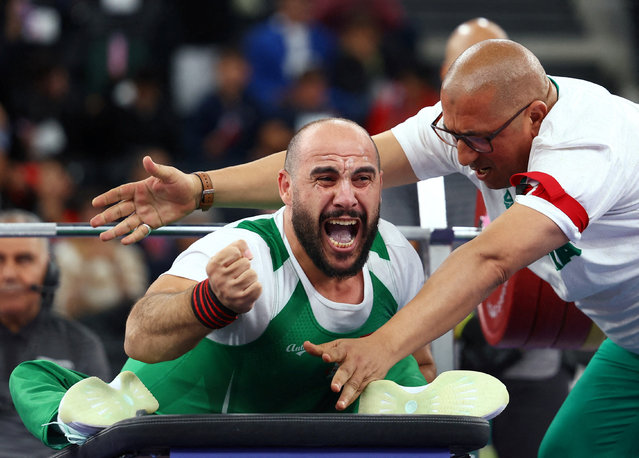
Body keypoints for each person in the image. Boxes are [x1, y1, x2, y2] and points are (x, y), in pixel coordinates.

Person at [89, 38, 639, 456]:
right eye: (455, 139)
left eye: (477, 143)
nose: (465, 159)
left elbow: (490, 258)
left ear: (535, 119)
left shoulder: (587, 145)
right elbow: (343, 156)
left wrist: (382, 347)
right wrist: (201, 189)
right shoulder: (481, 118)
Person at [11, 118, 446, 451]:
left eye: (363, 179)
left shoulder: (396, 256)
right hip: (165, 431)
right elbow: (138, 335)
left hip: (293, 438)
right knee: (30, 378)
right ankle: (77, 414)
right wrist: (210, 301)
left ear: (380, 186)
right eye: (326, 178)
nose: (348, 197)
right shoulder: (246, 250)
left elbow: (419, 365)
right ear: (286, 188)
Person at [0, 209, 111, 458]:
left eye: (23, 259)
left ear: (49, 270)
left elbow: (99, 434)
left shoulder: (81, 344)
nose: (8, 274)